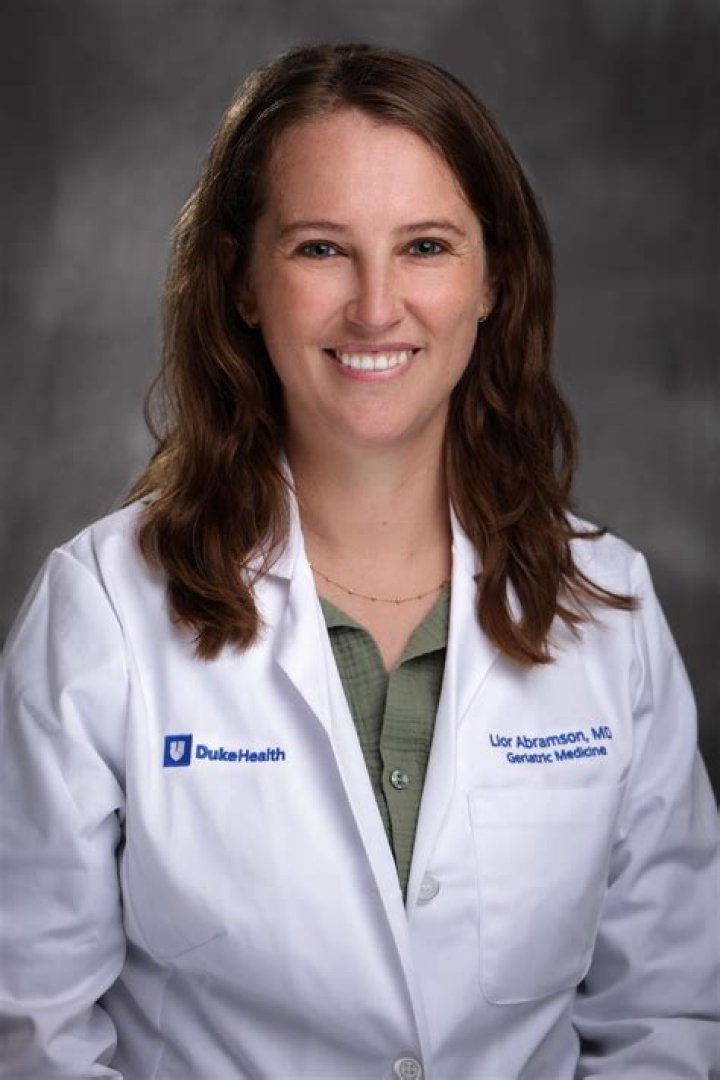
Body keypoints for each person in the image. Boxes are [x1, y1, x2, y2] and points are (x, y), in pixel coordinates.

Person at [1, 42, 718, 1080]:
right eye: (320, 249)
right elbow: (32, 1031)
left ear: (493, 279)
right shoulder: (105, 610)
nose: (377, 308)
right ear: (243, 283)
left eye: (425, 246)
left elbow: (668, 1015)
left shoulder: (609, 608)